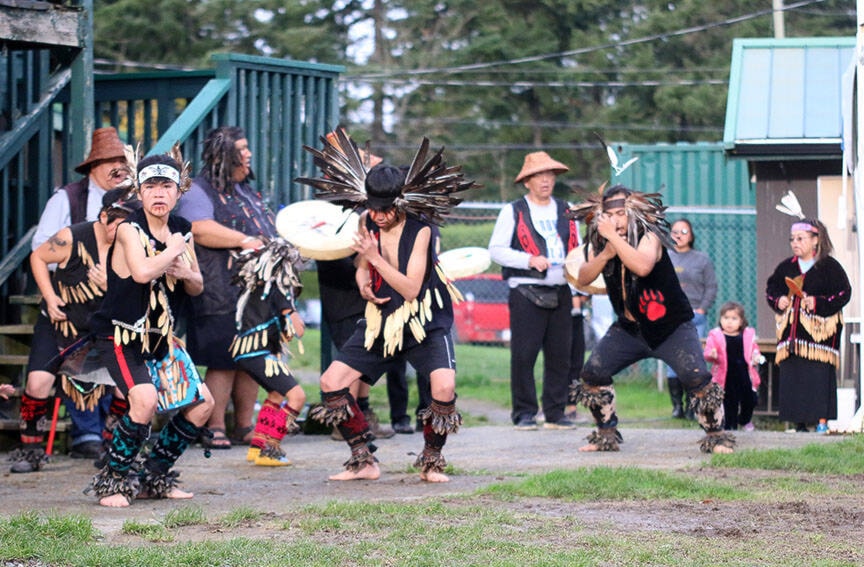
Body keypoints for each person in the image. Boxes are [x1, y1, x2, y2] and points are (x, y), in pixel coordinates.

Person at [296, 131, 475, 482]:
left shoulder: (421, 230)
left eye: (385, 209)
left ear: (402, 202)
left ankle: (430, 462)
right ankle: (363, 461)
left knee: (443, 386)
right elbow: (364, 263)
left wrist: (374, 259)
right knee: (332, 382)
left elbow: (410, 288)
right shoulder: (367, 220)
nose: (378, 216)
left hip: (425, 321)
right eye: (373, 208)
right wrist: (364, 278)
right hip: (381, 321)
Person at [87, 152, 213, 507]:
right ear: (139, 192)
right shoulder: (128, 228)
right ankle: (112, 481)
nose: (159, 193)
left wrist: (185, 271)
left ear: (178, 191)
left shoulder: (183, 228)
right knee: (144, 400)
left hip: (160, 337)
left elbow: (197, 284)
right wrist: (172, 250)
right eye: (151, 186)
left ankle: (153, 477)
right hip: (121, 334)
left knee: (203, 404)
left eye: (166, 186)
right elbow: (142, 273)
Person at [570, 184, 734, 454]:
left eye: (621, 213)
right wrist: (607, 252)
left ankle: (716, 438)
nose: (615, 221)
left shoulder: (651, 235)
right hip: (630, 328)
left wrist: (615, 241)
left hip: (671, 328)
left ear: (633, 212)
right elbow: (584, 277)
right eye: (610, 215)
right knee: (592, 373)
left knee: (696, 377)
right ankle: (605, 436)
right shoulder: (603, 243)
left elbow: (643, 266)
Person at [9, 189, 137, 473]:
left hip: (102, 328)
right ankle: (30, 451)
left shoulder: (132, 248)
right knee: (38, 383)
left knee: (126, 388)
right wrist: (50, 296)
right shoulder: (72, 236)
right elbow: (38, 258)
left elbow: (136, 297)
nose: (124, 232)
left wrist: (110, 287)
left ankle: (111, 448)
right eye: (119, 224)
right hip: (60, 323)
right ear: (104, 217)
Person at [30, 126, 131, 461]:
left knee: (119, 379)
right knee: (42, 380)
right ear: (93, 166)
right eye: (110, 161)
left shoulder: (130, 208)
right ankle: (57, 443)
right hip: (67, 305)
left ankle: (109, 442)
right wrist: (50, 295)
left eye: (122, 161)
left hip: (103, 314)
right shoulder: (67, 198)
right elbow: (39, 249)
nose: (118, 168)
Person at [175, 126, 275, 449]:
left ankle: (244, 425)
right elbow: (199, 229)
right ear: (224, 154)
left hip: (253, 290)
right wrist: (245, 240)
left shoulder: (244, 190)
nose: (247, 154)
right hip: (218, 286)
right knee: (223, 357)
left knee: (252, 354)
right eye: (241, 149)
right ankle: (213, 424)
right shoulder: (199, 190)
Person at [488, 151, 579, 430]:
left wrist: (579, 284)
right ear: (527, 181)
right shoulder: (513, 210)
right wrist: (528, 259)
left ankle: (555, 412)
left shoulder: (567, 209)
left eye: (550, 175)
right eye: (539, 176)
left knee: (560, 354)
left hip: (561, 289)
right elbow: (497, 250)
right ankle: (524, 413)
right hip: (526, 290)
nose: (545, 180)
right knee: (525, 354)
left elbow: (577, 250)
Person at [318, 255, 430, 437]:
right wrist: (367, 254)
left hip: (365, 303)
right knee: (348, 366)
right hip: (343, 303)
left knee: (362, 366)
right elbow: (350, 265)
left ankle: (362, 414)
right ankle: (345, 423)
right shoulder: (331, 235)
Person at [765, 217, 851, 433]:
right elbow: (771, 290)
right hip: (793, 336)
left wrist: (818, 302)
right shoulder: (786, 267)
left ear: (816, 240)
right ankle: (799, 422)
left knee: (818, 375)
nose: (795, 243)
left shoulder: (828, 266)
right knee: (795, 375)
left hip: (819, 335)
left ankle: (821, 421)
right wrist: (779, 301)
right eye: (792, 239)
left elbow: (843, 292)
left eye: (801, 238)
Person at [230, 239, 307, 466]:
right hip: (257, 352)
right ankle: (270, 450)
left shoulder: (257, 285)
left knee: (276, 394)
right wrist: (292, 314)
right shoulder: (279, 286)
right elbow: (297, 330)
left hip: (246, 351)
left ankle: (257, 448)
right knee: (297, 396)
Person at [666, 218, 717, 419]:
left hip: (695, 316)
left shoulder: (701, 259)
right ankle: (677, 406)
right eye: (675, 231)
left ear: (692, 235)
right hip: (670, 318)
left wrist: (703, 309)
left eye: (684, 231)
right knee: (672, 361)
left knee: (693, 360)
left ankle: (691, 406)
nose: (679, 235)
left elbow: (711, 286)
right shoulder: (664, 258)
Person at [704, 301, 762, 431]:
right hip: (725, 377)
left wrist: (756, 356)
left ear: (741, 321)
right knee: (730, 403)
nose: (729, 322)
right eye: (726, 318)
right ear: (720, 319)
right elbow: (707, 353)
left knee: (751, 400)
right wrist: (712, 354)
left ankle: (745, 420)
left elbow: (754, 350)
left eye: (734, 318)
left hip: (745, 376)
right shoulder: (716, 335)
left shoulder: (747, 335)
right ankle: (731, 428)